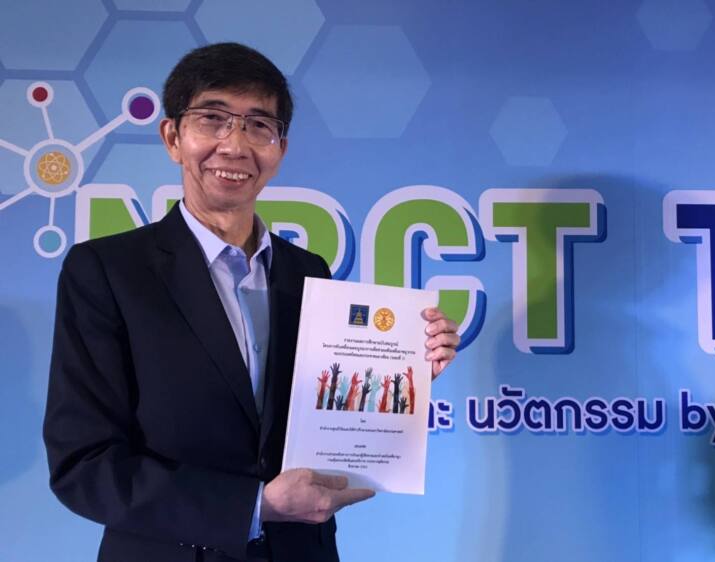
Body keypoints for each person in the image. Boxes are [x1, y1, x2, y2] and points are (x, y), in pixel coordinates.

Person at [43, 42, 459, 562]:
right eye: (212, 119)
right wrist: (256, 506)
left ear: (280, 148)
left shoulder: (306, 272)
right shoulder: (107, 271)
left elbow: (320, 423)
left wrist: (402, 372)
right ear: (173, 137)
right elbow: (85, 464)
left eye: (259, 125)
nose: (235, 145)